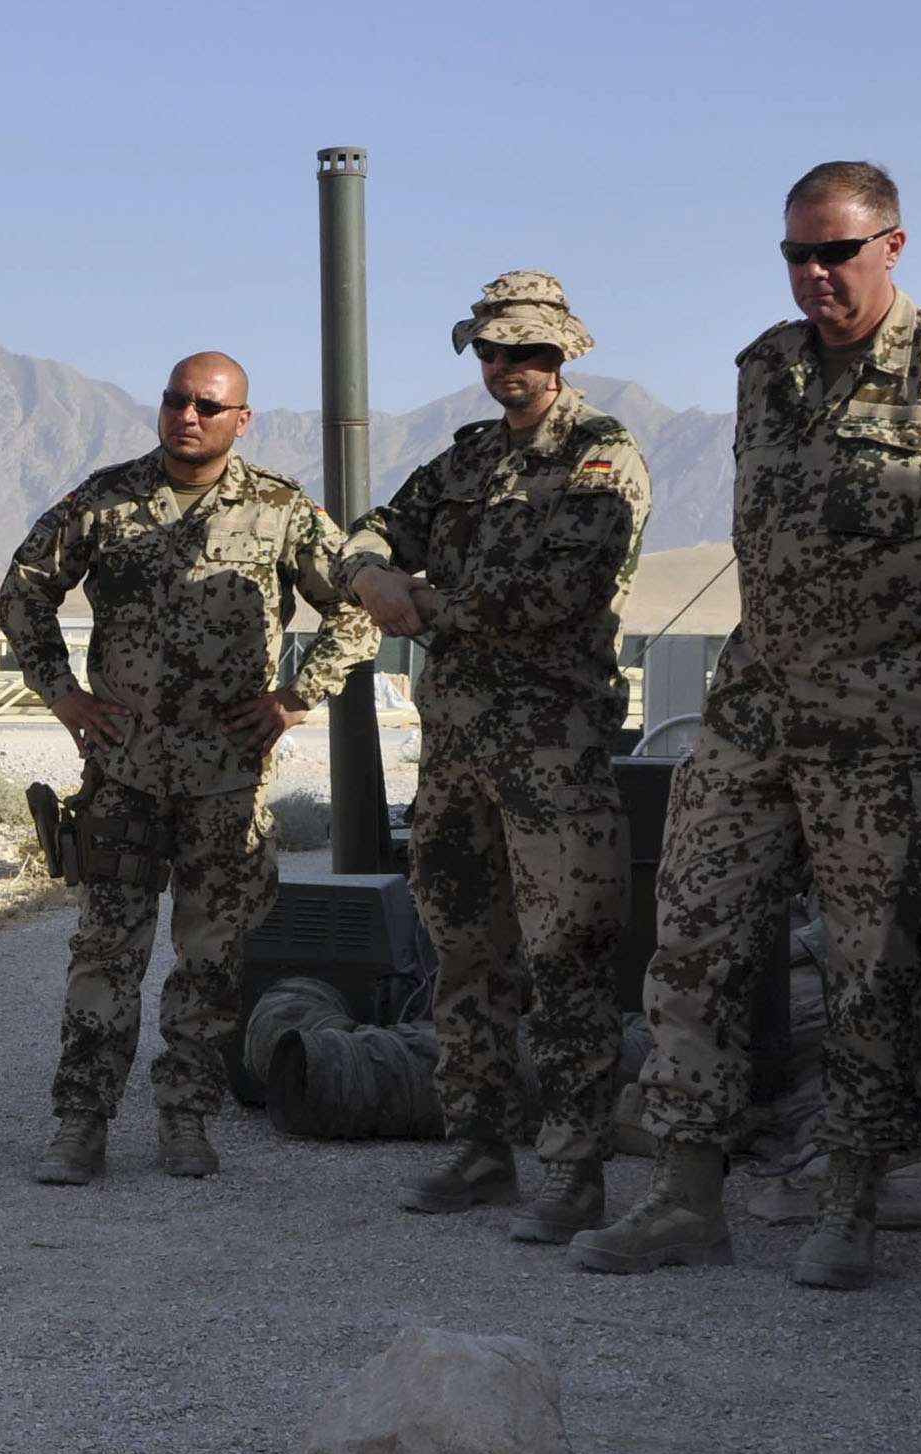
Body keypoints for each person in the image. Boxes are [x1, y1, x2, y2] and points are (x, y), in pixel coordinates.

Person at [575, 163, 921, 1286]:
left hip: (891, 733)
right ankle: (688, 1194)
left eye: (836, 253)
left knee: (873, 967)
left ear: (892, 245)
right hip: (755, 714)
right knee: (692, 936)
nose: (815, 276)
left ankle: (851, 1201)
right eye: (797, 254)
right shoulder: (768, 369)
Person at [0, 351, 381, 1182]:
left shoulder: (279, 510)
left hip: (226, 783)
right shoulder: (105, 501)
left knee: (210, 960)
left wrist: (296, 696)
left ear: (242, 419)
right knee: (104, 953)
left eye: (209, 405)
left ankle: (186, 1118)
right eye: (176, 400)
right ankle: (80, 1123)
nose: (188, 416)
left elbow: (356, 610)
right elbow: (23, 590)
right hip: (122, 774)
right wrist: (64, 695)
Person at [339, 273, 652, 1242]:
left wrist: (414, 604)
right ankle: (479, 1147)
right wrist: (369, 573)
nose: (504, 369)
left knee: (568, 958)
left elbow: (554, 589)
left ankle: (574, 1171)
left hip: (551, 751)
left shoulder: (603, 460)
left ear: (563, 353)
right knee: (466, 953)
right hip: (459, 750)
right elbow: (372, 529)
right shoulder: (470, 457)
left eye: (523, 352)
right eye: (489, 352)